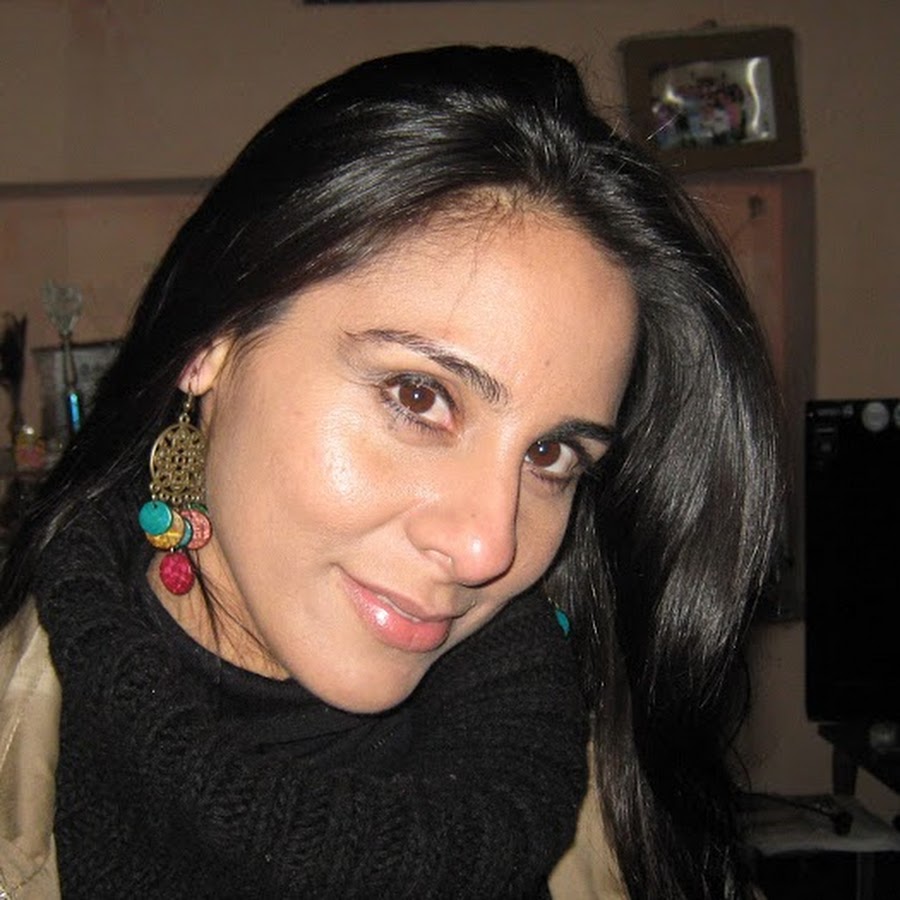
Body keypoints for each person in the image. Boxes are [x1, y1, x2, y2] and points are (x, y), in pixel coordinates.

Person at [0, 45, 781, 899]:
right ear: (212, 343)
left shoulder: (624, 797)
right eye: (419, 396)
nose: (488, 547)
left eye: (551, 455)